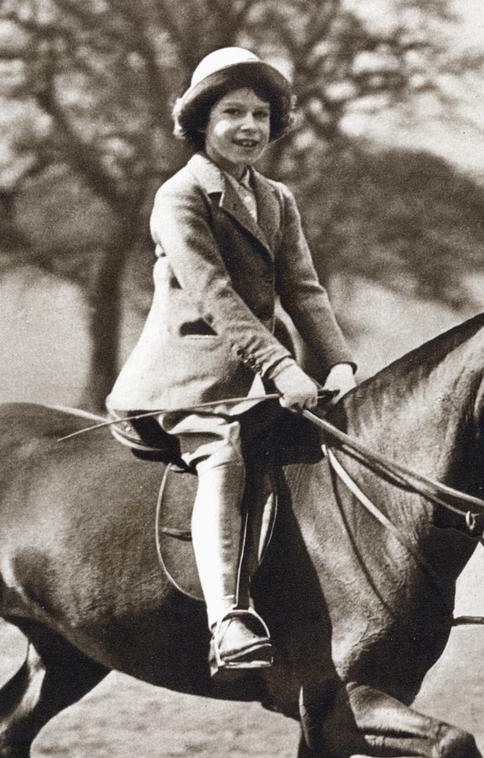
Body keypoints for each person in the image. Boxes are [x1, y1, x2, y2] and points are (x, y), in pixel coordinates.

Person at [106, 47, 356, 672]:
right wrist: (282, 367)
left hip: (263, 378)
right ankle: (228, 619)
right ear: (200, 122)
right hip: (185, 383)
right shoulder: (179, 195)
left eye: (261, 115)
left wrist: (337, 363)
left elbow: (303, 289)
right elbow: (215, 296)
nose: (249, 127)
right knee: (222, 453)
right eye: (232, 112)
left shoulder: (276, 198)